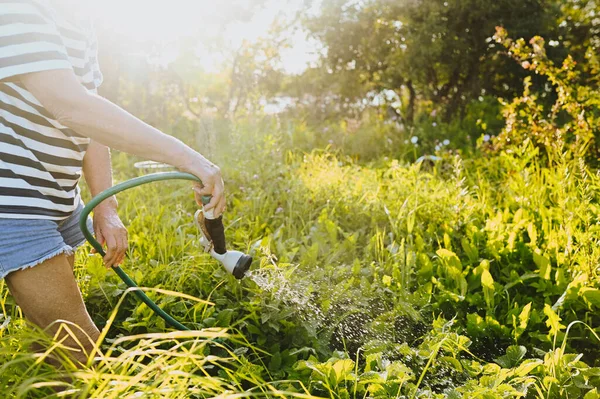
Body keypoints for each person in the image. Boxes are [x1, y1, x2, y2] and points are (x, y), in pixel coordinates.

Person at [0, 0, 225, 363]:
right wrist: (188, 157)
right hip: (13, 205)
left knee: (47, 348)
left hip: (57, 200)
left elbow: (90, 119)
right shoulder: (18, 8)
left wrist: (106, 208)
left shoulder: (79, 20)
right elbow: (71, 106)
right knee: (82, 354)